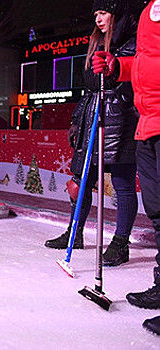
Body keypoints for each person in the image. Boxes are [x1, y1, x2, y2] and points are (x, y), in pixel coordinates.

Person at [44, 0, 139, 269]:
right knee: (81, 179)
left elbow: (132, 82)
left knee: (122, 182)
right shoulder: (95, 43)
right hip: (92, 116)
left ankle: (120, 243)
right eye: (96, 13)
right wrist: (76, 120)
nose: (98, 18)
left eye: (103, 13)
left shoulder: (131, 42)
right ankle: (74, 233)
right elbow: (89, 89)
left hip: (120, 120)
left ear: (116, 13)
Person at [93, 0, 160, 333]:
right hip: (147, 121)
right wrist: (118, 67)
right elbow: (148, 64)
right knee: (158, 210)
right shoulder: (149, 10)